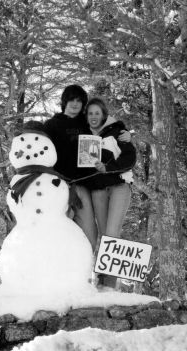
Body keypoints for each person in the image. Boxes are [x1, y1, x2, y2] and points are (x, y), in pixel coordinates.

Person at [40, 84, 130, 252]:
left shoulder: (86, 121)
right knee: (55, 233)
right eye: (71, 100)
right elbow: (38, 147)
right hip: (59, 185)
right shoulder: (51, 125)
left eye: (79, 101)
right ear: (64, 102)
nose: (75, 104)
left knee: (90, 234)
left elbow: (110, 124)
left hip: (83, 185)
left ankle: (86, 272)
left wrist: (124, 132)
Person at [83, 97, 136, 288]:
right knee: (105, 236)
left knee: (112, 234)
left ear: (104, 115)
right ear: (86, 116)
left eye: (97, 113)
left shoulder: (118, 131)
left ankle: (110, 285)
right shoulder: (83, 136)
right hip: (97, 190)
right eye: (90, 113)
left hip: (119, 186)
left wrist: (109, 167)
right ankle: (100, 282)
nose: (94, 116)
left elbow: (130, 159)